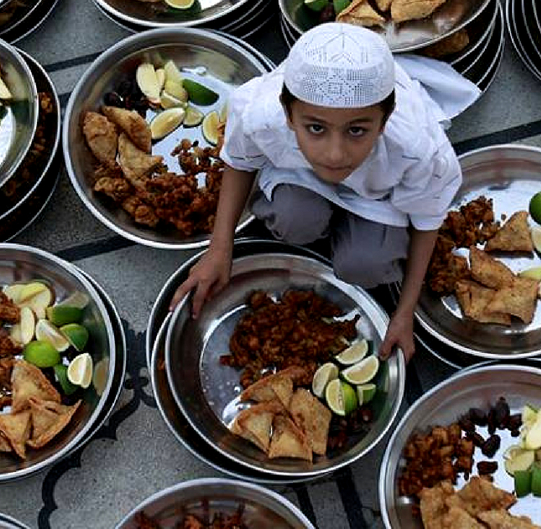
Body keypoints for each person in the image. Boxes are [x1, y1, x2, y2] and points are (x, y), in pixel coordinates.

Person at [170, 22, 479, 361]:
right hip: (299, 172)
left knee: (366, 266)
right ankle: (318, 216)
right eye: (315, 128)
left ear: (385, 118)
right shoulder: (263, 117)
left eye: (357, 130)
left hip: (378, 195)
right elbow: (240, 161)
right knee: (293, 221)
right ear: (289, 115)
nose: (335, 154)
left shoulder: (416, 150)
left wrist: (405, 312)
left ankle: (353, 237)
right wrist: (219, 247)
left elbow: (426, 220)